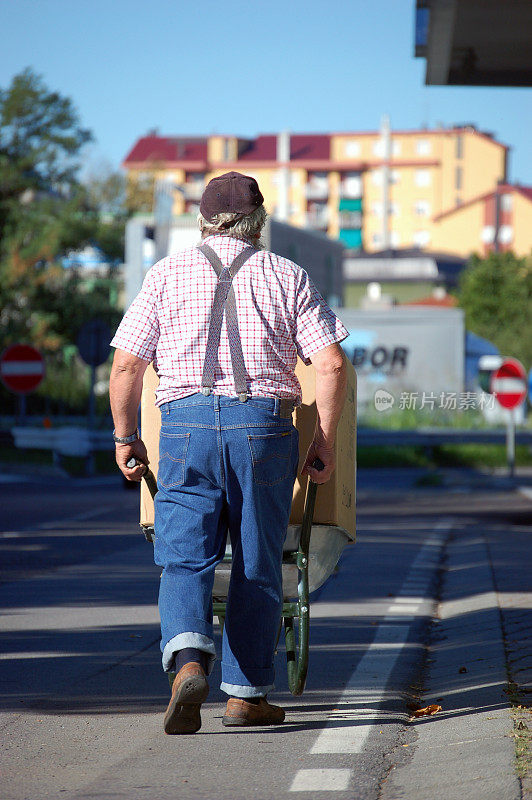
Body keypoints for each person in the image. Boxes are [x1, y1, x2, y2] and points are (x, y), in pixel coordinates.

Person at [109, 171, 348, 734]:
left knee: (185, 556)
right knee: (258, 563)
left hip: (184, 428)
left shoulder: (166, 275)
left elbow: (126, 365)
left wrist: (125, 437)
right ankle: (244, 696)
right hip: (264, 431)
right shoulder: (287, 274)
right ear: (258, 222)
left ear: (202, 220)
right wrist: (325, 440)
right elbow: (331, 364)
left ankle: (189, 662)